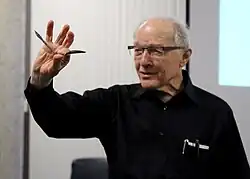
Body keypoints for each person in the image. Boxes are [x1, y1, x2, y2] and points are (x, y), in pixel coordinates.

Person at [24, 17, 250, 179]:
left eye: (155, 50)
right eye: (138, 50)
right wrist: (40, 80)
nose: (143, 61)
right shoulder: (116, 102)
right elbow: (56, 121)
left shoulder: (215, 112)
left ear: (184, 57)